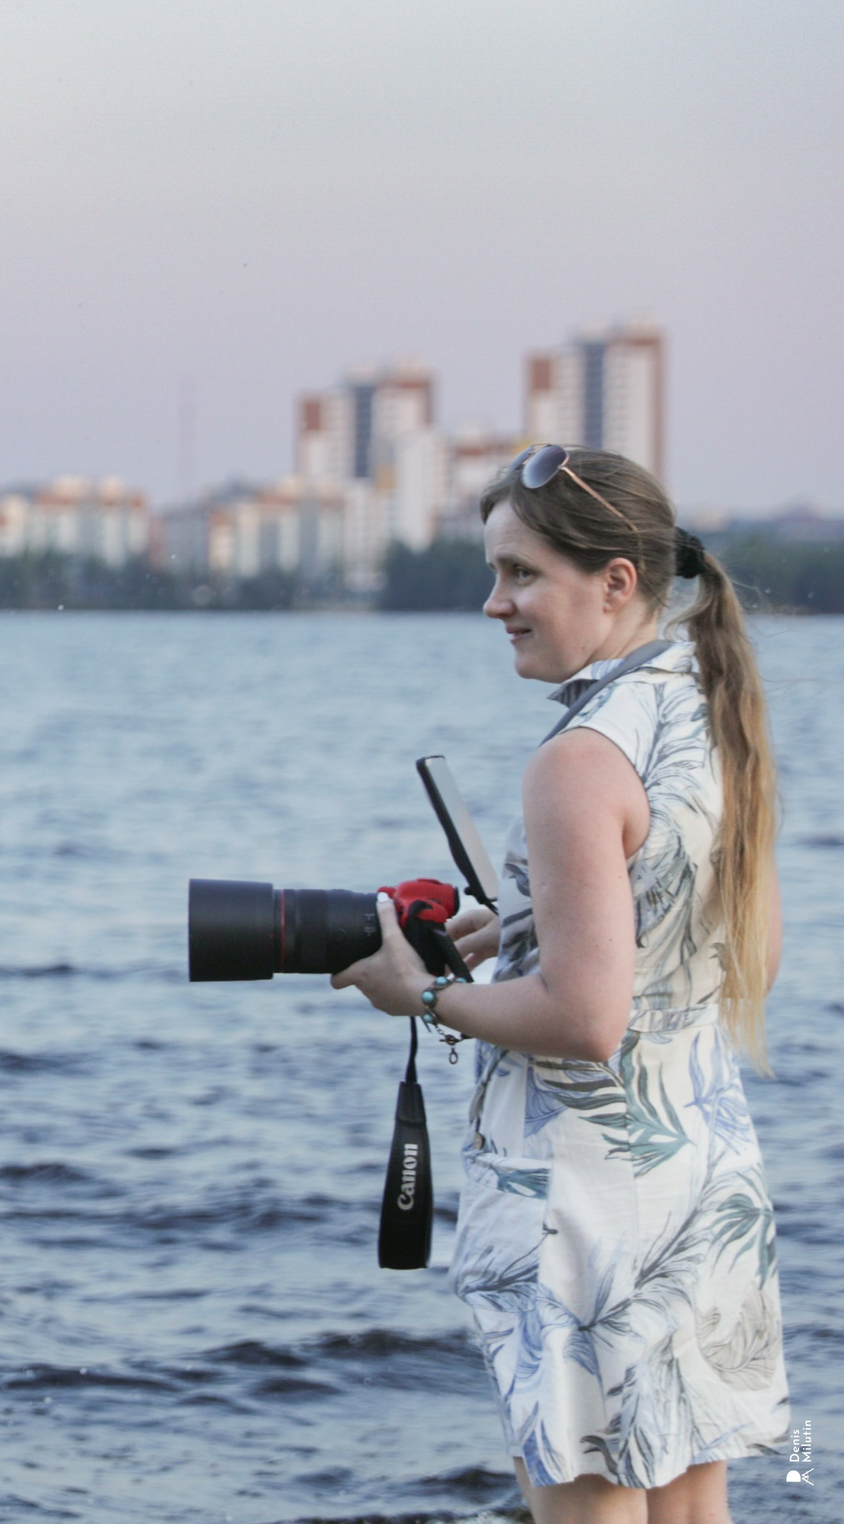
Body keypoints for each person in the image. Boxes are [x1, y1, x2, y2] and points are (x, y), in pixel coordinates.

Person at [335, 446, 786, 1523]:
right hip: (700, 1176)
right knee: (687, 1508)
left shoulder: (577, 760)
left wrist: (424, 998)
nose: (494, 604)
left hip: (580, 1203)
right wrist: (531, 931)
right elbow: (733, 955)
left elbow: (585, 1021)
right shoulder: (709, 707)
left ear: (615, 581)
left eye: (520, 574)